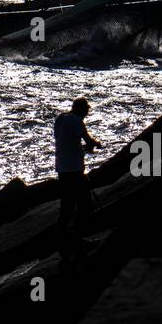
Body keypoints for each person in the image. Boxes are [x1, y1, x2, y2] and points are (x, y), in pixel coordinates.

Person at [54, 96, 101, 257]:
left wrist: (84, 148)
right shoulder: (75, 120)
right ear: (80, 108)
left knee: (66, 208)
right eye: (86, 110)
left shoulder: (61, 119)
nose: (87, 113)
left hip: (62, 170)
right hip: (75, 171)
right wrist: (97, 143)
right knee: (85, 205)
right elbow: (88, 140)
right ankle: (78, 239)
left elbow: (67, 142)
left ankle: (61, 240)